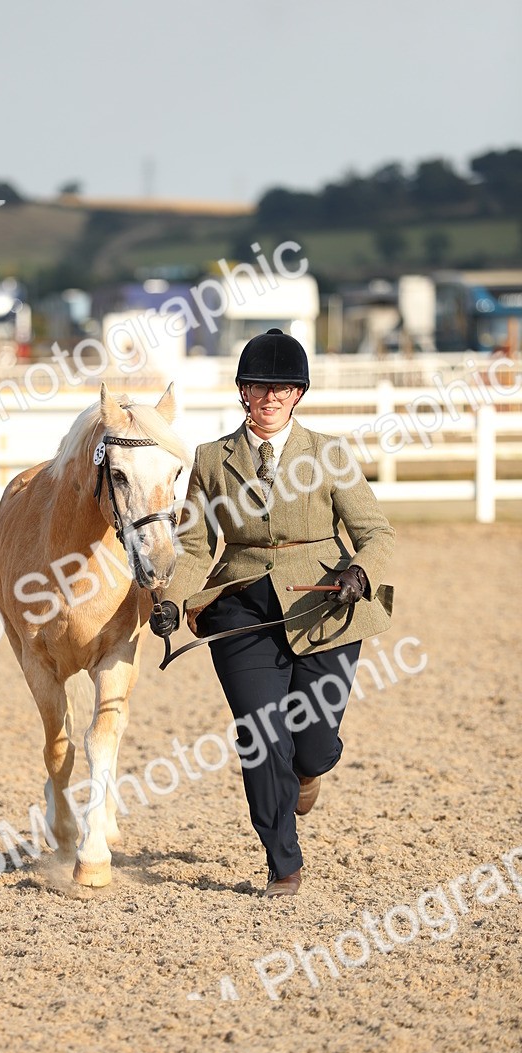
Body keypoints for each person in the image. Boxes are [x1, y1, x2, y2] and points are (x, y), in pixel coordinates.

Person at [149, 329, 395, 898]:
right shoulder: (213, 460)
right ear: (243, 390)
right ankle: (282, 861)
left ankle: (310, 772)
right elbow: (192, 547)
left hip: (325, 603)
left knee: (313, 745)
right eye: (259, 386)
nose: (270, 397)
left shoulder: (329, 453)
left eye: (282, 387)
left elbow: (375, 533)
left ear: (298, 393)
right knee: (261, 736)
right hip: (241, 608)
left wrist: (359, 572)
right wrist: (170, 599)